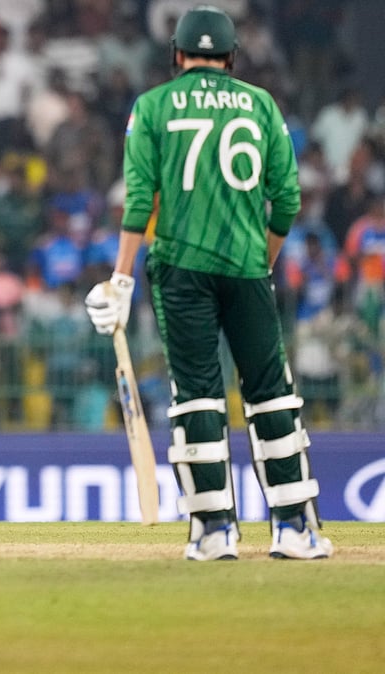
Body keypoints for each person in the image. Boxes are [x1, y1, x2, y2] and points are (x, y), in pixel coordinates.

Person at [85, 5, 332, 561]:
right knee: (271, 395)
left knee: (197, 394)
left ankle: (214, 530)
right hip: (246, 266)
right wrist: (262, 260)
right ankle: (295, 528)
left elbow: (139, 199)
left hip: (181, 270)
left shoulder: (152, 106)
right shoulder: (262, 104)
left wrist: (121, 280)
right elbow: (288, 200)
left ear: (176, 55)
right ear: (232, 57)